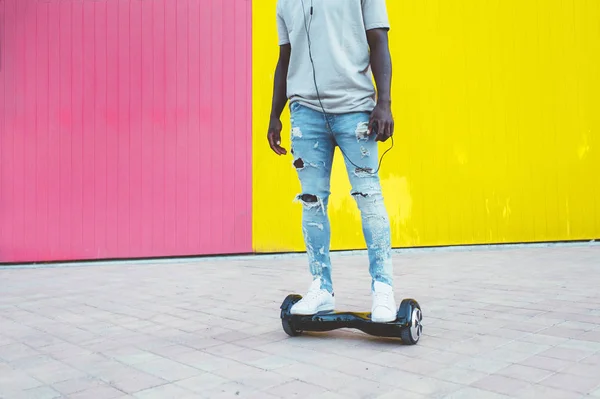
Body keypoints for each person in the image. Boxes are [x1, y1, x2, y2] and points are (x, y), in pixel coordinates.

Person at [267, 0, 397, 323]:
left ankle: (383, 289)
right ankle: (321, 287)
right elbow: (285, 58)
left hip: (355, 109)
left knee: (369, 198)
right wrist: (274, 115)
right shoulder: (284, 3)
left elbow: (379, 39)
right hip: (305, 114)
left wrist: (385, 102)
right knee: (311, 203)